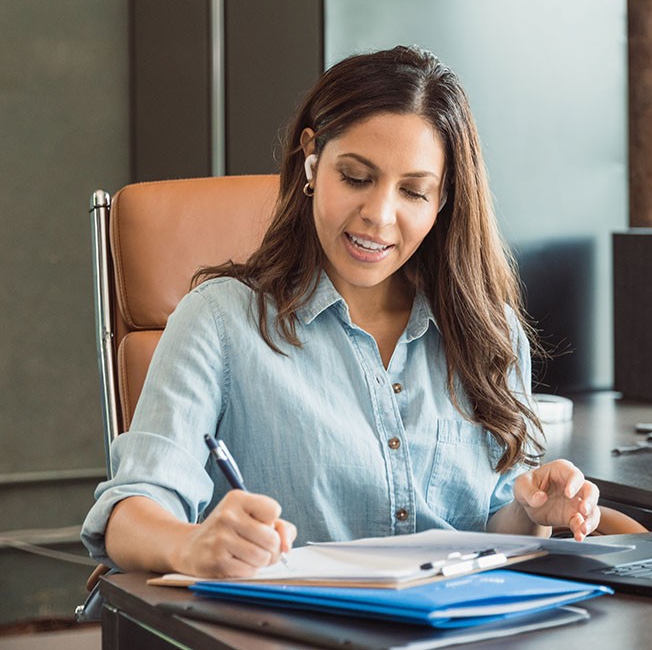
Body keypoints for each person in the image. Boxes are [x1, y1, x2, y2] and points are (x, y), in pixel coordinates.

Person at [82, 46, 601, 578]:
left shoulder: (491, 334)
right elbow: (129, 515)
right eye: (355, 177)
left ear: (444, 198)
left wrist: (531, 513)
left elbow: (490, 530)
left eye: (414, 192)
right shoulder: (219, 320)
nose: (379, 216)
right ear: (312, 159)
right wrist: (191, 546)